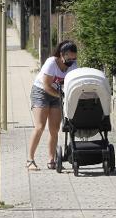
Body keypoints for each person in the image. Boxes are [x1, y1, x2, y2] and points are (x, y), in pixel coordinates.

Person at [27, 41, 78, 170]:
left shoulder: (73, 66)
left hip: (58, 94)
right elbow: (46, 85)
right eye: (69, 58)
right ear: (62, 55)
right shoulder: (51, 63)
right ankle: (30, 160)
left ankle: (51, 160)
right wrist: (61, 96)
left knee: (54, 129)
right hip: (42, 92)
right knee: (39, 126)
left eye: (74, 58)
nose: (71, 60)